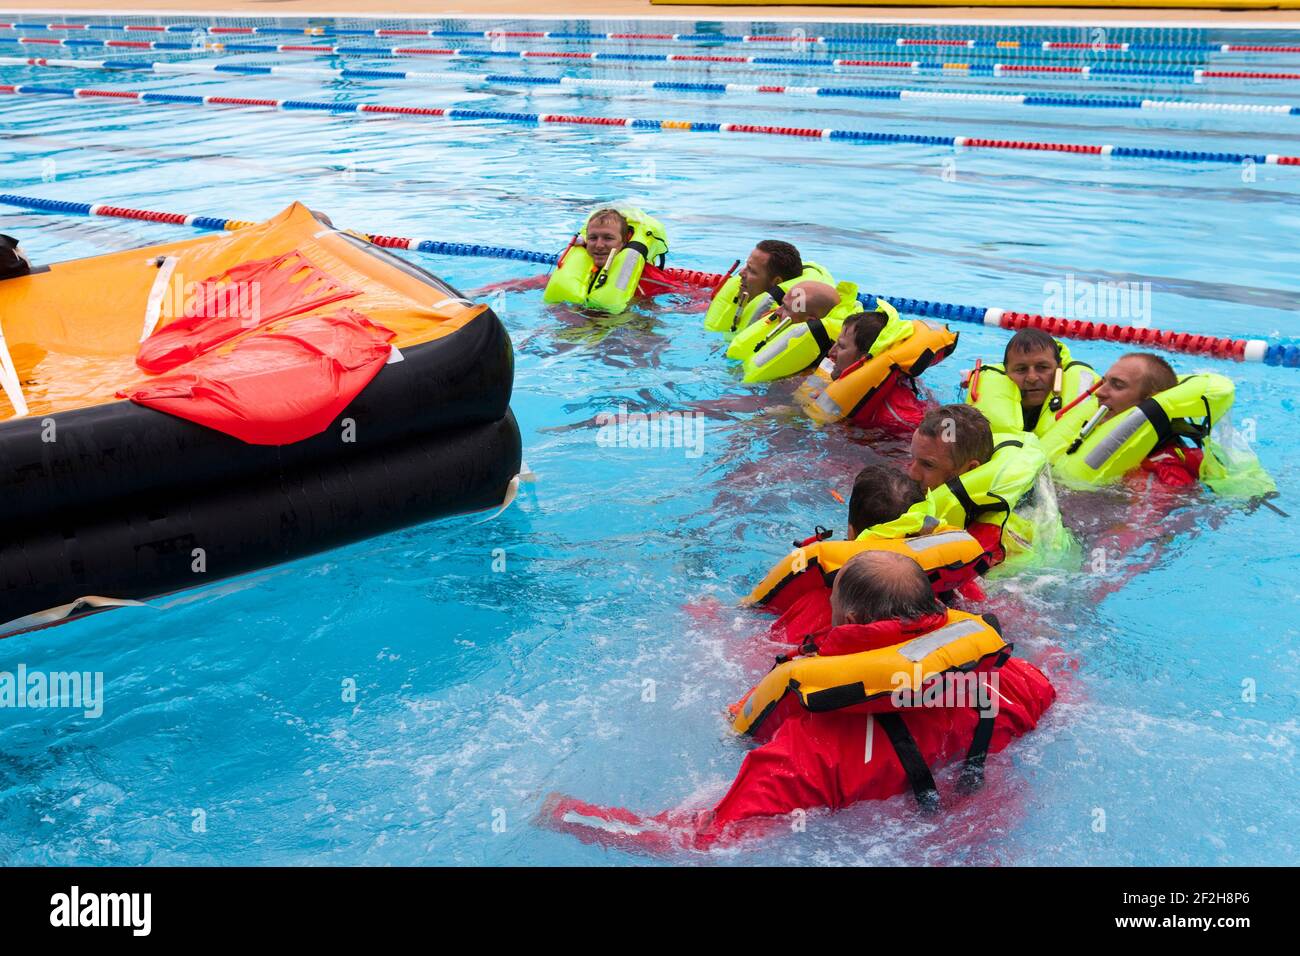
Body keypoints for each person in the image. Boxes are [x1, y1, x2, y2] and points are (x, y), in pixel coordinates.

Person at [542, 551, 1056, 852]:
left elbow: (708, 845)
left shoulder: (805, 750)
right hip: (992, 834)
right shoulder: (1007, 681)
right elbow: (1057, 695)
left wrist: (571, 814)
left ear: (847, 623)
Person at [704, 240, 829, 334]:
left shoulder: (781, 320)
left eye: (752, 271)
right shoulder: (746, 296)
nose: (741, 273)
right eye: (746, 266)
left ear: (776, 282)